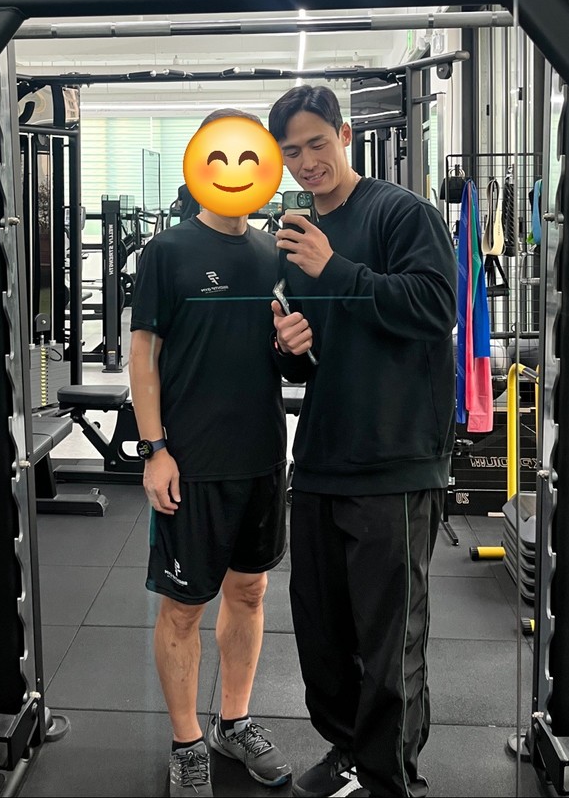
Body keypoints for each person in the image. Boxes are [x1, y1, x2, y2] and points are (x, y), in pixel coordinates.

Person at [267, 85, 457, 798]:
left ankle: (388, 780)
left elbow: (434, 306)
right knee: (321, 636)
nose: (306, 162)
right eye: (292, 152)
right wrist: (288, 346)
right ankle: (347, 751)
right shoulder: (296, 237)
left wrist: (335, 269)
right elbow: (309, 355)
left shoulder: (400, 212)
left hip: (394, 459)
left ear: (344, 136)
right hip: (321, 455)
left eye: (317, 143)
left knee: (388, 643)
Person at [129, 108, 292, 798]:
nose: (234, 170)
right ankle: (186, 741)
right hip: (191, 462)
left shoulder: (274, 253)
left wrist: (294, 345)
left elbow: (283, 353)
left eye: (248, 157)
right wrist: (154, 449)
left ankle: (233, 721)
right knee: (183, 607)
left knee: (249, 591)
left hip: (262, 454)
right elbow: (143, 352)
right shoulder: (166, 252)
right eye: (220, 156)